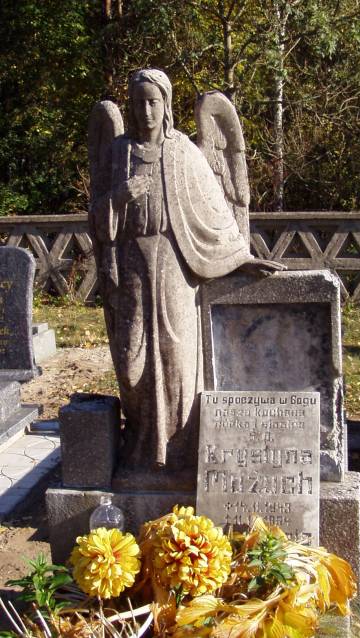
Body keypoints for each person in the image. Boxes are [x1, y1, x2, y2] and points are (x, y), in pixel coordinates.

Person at [90, 69, 273, 480]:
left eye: (153, 102)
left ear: (166, 104)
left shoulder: (183, 151)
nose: (146, 111)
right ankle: (140, 446)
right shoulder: (119, 152)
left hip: (175, 264)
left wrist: (241, 257)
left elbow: (215, 212)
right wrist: (119, 197)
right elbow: (97, 216)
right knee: (131, 361)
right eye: (139, 102)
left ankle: (180, 452)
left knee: (176, 355)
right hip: (132, 263)